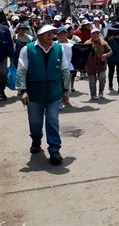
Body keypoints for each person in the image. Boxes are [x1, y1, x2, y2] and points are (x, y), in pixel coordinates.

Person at [16, 25, 70, 165]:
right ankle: (36, 139)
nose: (50, 35)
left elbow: (65, 70)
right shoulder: (27, 49)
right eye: (46, 33)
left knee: (52, 120)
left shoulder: (59, 49)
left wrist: (65, 90)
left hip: (54, 92)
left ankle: (54, 149)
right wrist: (22, 91)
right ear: (39, 36)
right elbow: (21, 70)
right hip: (34, 93)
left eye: (51, 33)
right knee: (35, 122)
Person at [85, 27, 112, 100]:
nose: (95, 35)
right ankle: (93, 95)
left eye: (97, 33)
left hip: (101, 65)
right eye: (94, 33)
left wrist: (106, 55)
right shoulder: (87, 43)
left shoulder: (104, 43)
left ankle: (101, 92)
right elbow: (83, 54)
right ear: (91, 34)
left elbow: (110, 51)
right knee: (92, 81)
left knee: (102, 79)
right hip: (90, 66)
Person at [105, 24, 119, 93]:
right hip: (111, 58)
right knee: (111, 71)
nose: (117, 32)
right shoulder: (107, 38)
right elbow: (105, 48)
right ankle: (110, 84)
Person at [57, 26, 75, 96]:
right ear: (57, 35)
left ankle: (66, 98)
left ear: (67, 34)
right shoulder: (54, 44)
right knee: (59, 84)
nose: (62, 36)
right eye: (60, 34)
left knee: (67, 84)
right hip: (57, 68)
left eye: (64, 34)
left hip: (69, 67)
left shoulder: (72, 43)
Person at [0, 13, 14, 101]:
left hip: (3, 57)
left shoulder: (5, 29)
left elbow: (9, 42)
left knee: (3, 74)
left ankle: (1, 90)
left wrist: (11, 56)